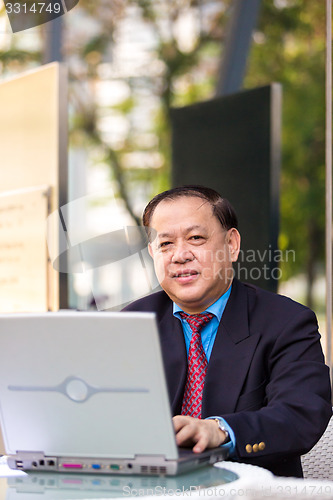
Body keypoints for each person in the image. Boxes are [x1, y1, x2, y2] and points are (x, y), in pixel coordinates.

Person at [123, 185, 332, 477]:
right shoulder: (131, 324)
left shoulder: (287, 322)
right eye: (165, 244)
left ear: (231, 245)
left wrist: (219, 429)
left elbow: (301, 413)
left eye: (196, 238)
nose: (180, 255)